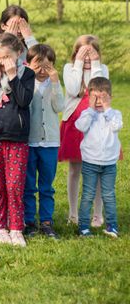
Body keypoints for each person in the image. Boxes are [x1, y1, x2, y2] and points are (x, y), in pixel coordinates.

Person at [0, 33, 35, 247]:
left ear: (19, 53)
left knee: (14, 185)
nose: (3, 61)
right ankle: (1, 228)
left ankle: (17, 229)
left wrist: (12, 76)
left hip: (17, 138)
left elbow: (23, 100)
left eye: (7, 56)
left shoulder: (27, 74)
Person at [59, 35, 108, 226]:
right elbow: (72, 88)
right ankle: (73, 214)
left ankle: (97, 214)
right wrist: (78, 63)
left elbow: (99, 91)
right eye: (83, 53)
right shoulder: (69, 68)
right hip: (73, 123)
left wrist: (95, 65)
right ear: (76, 53)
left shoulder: (102, 69)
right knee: (75, 169)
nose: (87, 57)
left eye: (91, 53)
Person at [23, 44, 64, 239]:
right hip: (29, 142)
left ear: (53, 67)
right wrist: (27, 77)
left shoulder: (54, 84)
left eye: (47, 67)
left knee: (47, 185)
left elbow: (59, 106)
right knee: (29, 185)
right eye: (37, 66)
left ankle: (46, 221)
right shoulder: (26, 83)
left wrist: (55, 83)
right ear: (28, 64)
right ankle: (29, 221)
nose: (42, 71)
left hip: (50, 143)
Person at [75, 77, 121, 238]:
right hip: (90, 162)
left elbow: (116, 126)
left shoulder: (115, 114)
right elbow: (80, 126)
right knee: (88, 194)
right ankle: (83, 227)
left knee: (109, 195)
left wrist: (107, 109)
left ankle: (112, 226)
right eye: (95, 97)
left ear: (110, 98)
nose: (99, 101)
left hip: (109, 163)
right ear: (89, 98)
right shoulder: (87, 114)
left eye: (103, 98)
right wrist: (91, 109)